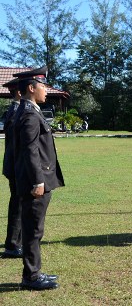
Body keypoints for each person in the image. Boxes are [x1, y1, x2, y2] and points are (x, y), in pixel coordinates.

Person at [13, 66, 65, 290]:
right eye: (43, 86)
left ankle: (34, 273)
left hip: (35, 179)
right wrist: (38, 181)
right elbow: (30, 150)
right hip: (35, 181)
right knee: (33, 229)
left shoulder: (29, 111)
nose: (46, 90)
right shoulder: (29, 114)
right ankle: (31, 277)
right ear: (32, 88)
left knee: (34, 228)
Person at [2, 78, 23, 258]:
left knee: (19, 203)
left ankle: (16, 242)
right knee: (17, 204)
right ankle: (13, 245)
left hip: (15, 165)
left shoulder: (14, 110)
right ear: (19, 92)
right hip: (16, 166)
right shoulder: (17, 110)